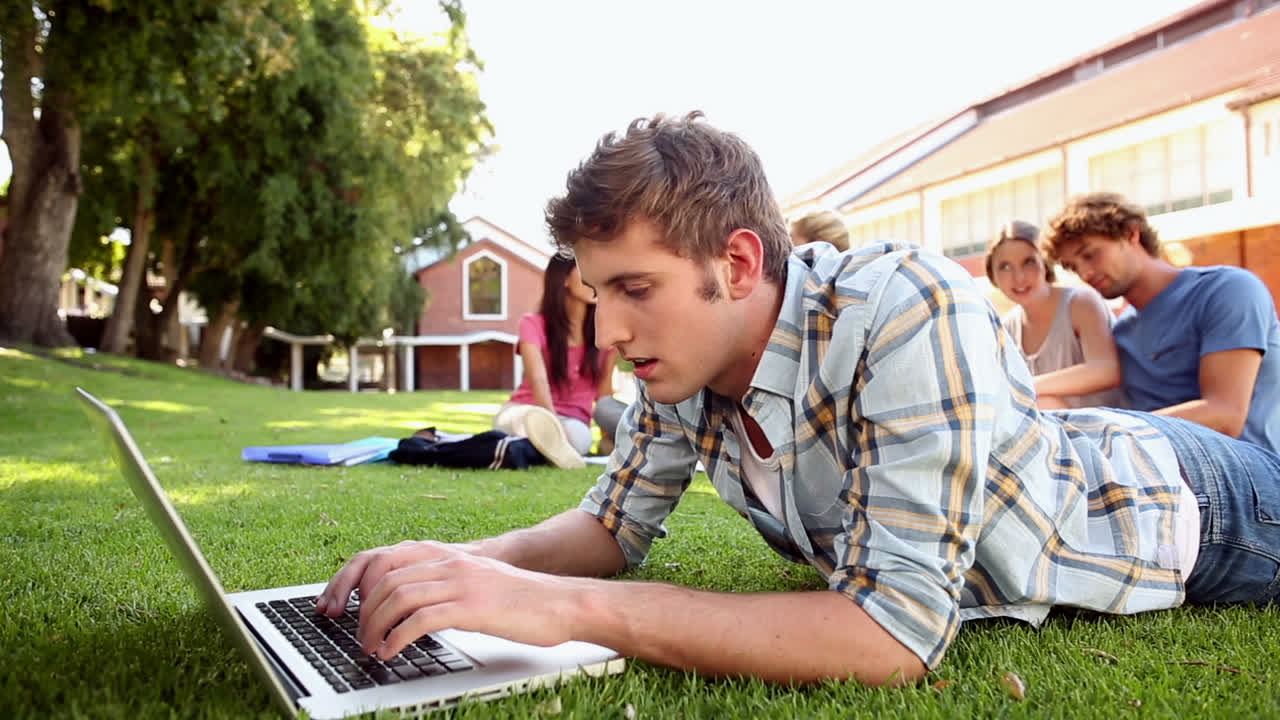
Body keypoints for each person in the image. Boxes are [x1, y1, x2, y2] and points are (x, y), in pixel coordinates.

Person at [317, 114, 1280, 687]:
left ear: (736, 263)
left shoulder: (906, 305)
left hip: (1196, 509)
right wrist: (453, 567)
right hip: (1070, 461)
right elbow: (611, 525)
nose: (606, 332)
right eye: (597, 292)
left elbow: (894, 632)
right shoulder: (679, 359)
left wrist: (564, 609)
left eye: (634, 289)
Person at [1041, 192, 1280, 455]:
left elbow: (1225, 416)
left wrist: (1104, 433)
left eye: (1090, 255)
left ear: (1131, 234)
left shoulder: (1226, 290)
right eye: (1073, 267)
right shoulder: (1121, 335)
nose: (1085, 273)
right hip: (1162, 475)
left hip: (1246, 470)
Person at [492, 255, 624, 468]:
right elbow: (538, 381)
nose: (596, 279)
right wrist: (552, 427)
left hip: (573, 421)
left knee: (577, 437)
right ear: (564, 279)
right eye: (587, 271)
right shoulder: (532, 324)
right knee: (523, 420)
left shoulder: (606, 335)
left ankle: (531, 447)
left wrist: (607, 436)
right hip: (528, 408)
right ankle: (543, 444)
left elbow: (604, 394)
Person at [984, 220, 1126, 409]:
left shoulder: (1081, 303)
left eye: (1029, 262)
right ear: (993, 275)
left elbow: (1106, 370)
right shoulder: (1006, 328)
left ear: (1045, 264)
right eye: (1005, 267)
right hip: (1052, 431)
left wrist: (1026, 387)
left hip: (1107, 429)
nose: (1019, 277)